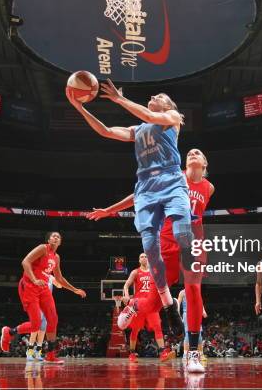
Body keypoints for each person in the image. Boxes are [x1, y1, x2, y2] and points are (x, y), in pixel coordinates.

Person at [68, 80, 190, 340]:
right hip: (145, 187)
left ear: (169, 105)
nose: (153, 94)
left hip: (171, 180)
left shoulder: (171, 118)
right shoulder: (139, 130)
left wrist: (119, 100)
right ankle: (170, 305)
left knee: (182, 232)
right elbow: (106, 131)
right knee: (149, 245)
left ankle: (188, 284)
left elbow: (148, 114)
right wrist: (79, 108)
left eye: (159, 93)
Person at [87, 148, 214, 373]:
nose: (193, 153)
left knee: (194, 290)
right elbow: (141, 195)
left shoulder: (209, 187)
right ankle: (135, 304)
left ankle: (193, 353)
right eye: (190, 153)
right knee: (154, 305)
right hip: (166, 243)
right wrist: (110, 210)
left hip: (193, 244)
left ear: (204, 163)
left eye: (198, 153)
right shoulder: (173, 177)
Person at [0, 232, 86, 363]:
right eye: (53, 236)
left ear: (60, 242)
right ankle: (9, 332)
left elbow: (59, 278)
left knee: (53, 319)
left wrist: (75, 290)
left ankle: (50, 355)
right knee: (36, 325)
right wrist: (34, 280)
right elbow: (25, 262)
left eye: (58, 237)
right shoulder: (42, 248)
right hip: (29, 285)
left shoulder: (56, 257)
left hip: (43, 288)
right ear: (49, 239)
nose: (56, 238)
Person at [123, 253, 175, 363]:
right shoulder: (135, 272)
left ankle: (162, 353)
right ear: (139, 260)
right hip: (138, 304)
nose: (144, 258)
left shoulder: (154, 272)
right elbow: (126, 285)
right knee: (135, 329)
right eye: (141, 256)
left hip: (151, 303)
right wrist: (127, 296)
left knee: (157, 327)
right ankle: (132, 353)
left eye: (146, 256)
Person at [26, 275, 62, 361]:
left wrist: (59, 280)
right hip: (37, 305)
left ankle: (38, 351)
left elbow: (59, 286)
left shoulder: (51, 277)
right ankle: (30, 351)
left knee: (42, 330)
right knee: (35, 329)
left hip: (47, 306)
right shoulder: (37, 275)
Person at [178, 288, 207, 363]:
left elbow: (200, 302)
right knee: (187, 334)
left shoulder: (196, 290)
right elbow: (178, 304)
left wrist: (203, 311)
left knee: (199, 334)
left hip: (196, 313)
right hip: (186, 314)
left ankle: (201, 354)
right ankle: (185, 355)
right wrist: (177, 315)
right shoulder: (182, 292)